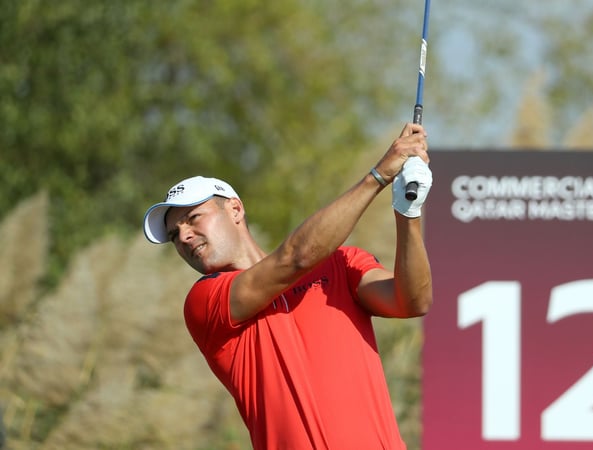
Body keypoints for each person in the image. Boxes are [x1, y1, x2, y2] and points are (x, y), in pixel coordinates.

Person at [142, 123, 433, 450]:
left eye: (193, 218)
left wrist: (409, 212)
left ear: (235, 209)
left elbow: (412, 302)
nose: (183, 236)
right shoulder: (205, 300)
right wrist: (377, 177)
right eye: (173, 234)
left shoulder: (341, 264)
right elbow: (295, 258)